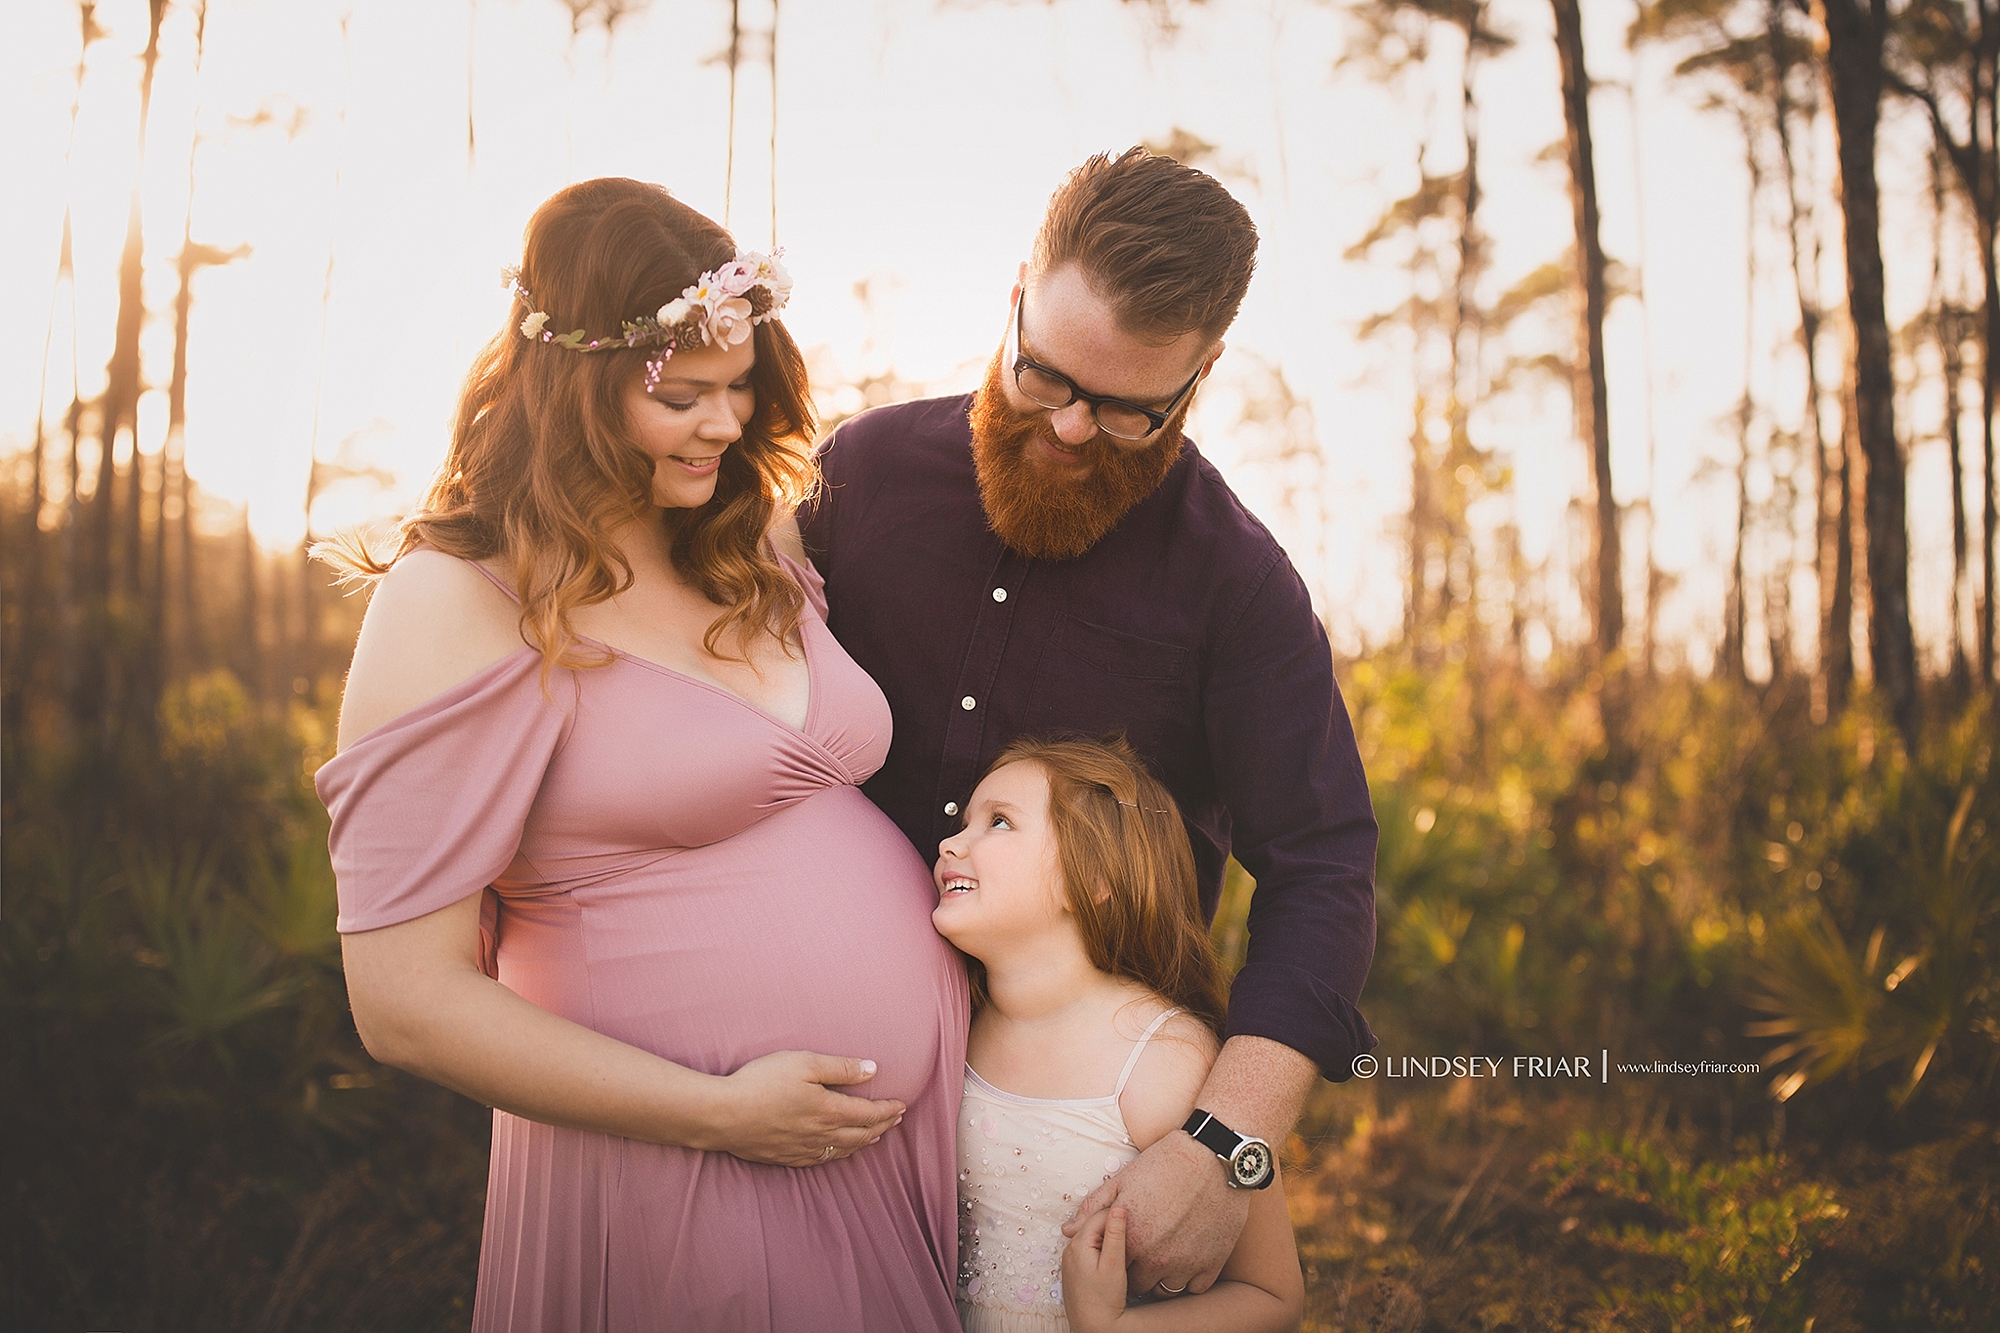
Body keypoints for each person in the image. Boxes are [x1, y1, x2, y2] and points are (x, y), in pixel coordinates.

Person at [317, 177, 967, 1332]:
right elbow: (401, 1001)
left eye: (740, 390)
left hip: (880, 1152)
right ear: (571, 387)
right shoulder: (457, 598)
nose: (725, 426)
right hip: (680, 1163)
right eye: (686, 395)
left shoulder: (743, 542)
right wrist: (714, 1113)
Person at [795, 146, 1378, 1298]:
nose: (1066, 428)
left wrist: (1227, 1150)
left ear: (1201, 373)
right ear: (1014, 297)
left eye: (1124, 411)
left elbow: (1322, 870)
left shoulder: (1238, 586)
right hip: (820, 1122)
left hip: (1081, 1152)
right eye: (1043, 375)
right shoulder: (857, 476)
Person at [934, 736, 1303, 1333]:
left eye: (998, 822)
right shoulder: (954, 1018)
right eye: (964, 821)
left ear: (1096, 875)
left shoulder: (1162, 1057)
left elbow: (1272, 1297)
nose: (951, 841)